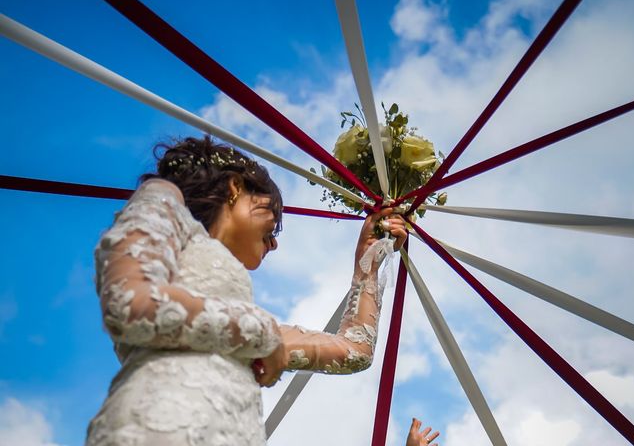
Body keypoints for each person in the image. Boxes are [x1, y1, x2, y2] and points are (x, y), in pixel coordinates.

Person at [86, 136, 407, 445]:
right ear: (236, 187)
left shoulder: (243, 327)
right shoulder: (164, 200)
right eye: (273, 217)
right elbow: (130, 304)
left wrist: (368, 260)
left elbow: (354, 352)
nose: (275, 240)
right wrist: (261, 333)